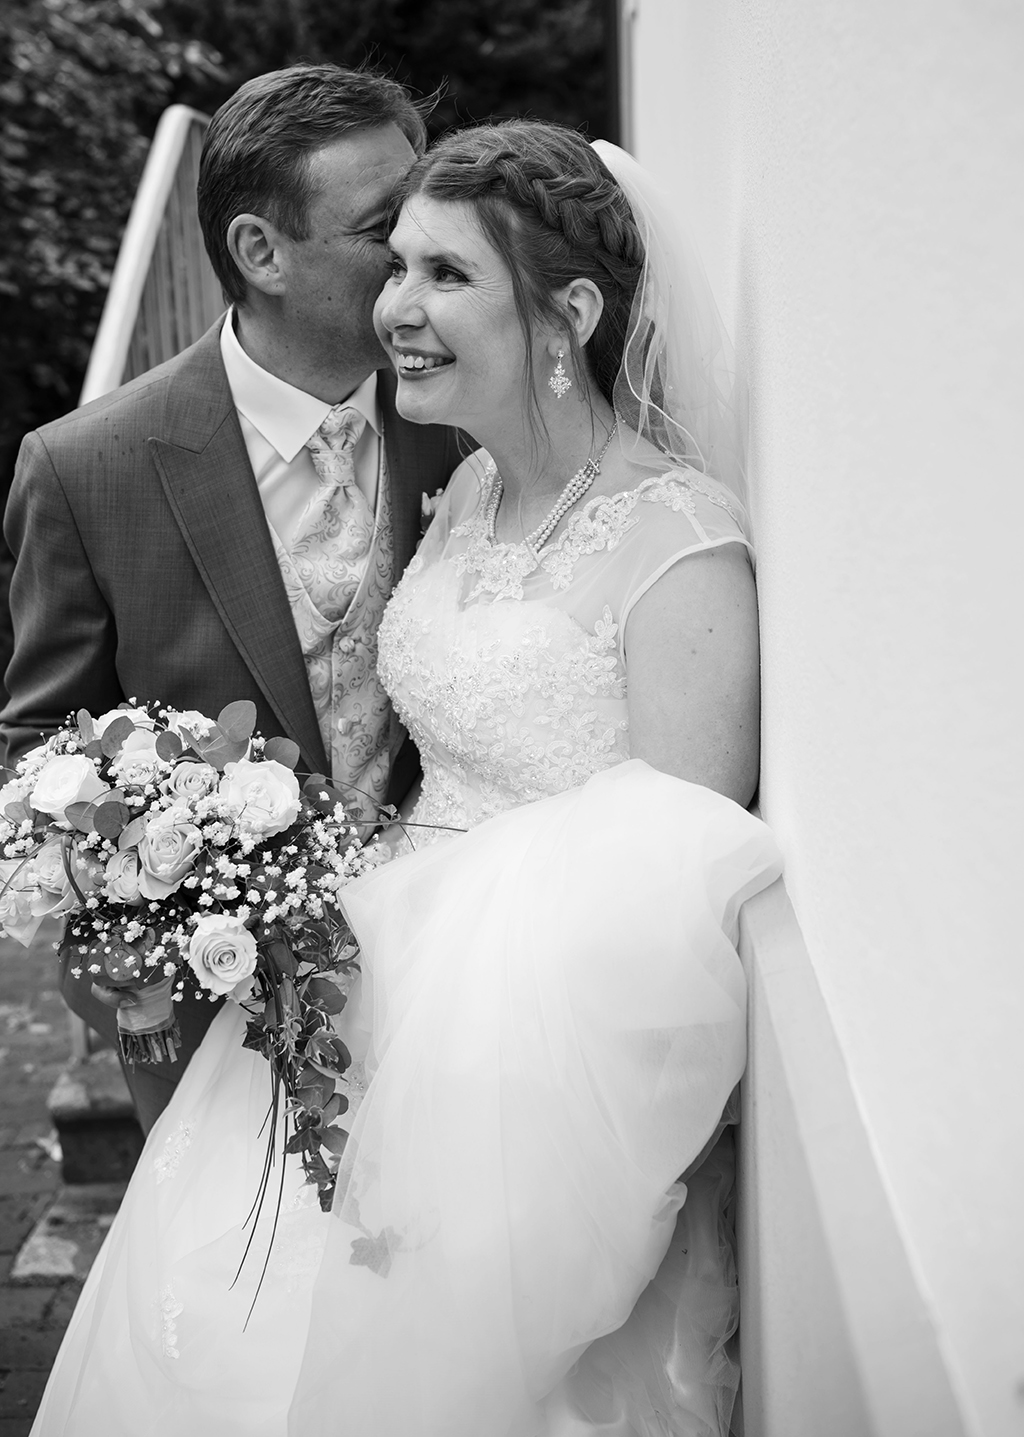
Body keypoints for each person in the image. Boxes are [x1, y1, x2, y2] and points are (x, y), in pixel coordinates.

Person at [28, 122, 782, 1436]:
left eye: (443, 272)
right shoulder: (472, 484)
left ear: (572, 315)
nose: (396, 308)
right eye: (393, 263)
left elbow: (675, 894)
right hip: (348, 988)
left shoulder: (680, 548)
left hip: (523, 1057)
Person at [0, 64, 463, 1133]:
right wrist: (136, 932)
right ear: (261, 252)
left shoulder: (466, 420)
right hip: (218, 1015)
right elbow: (39, 752)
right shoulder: (88, 468)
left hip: (448, 974)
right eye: (383, 229)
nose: (418, 257)